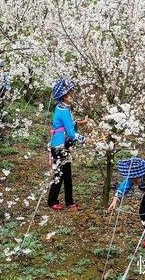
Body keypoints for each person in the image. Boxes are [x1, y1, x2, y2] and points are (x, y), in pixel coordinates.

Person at [47, 78, 88, 212]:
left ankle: (69, 201)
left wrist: (78, 123)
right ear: (65, 96)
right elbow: (71, 133)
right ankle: (52, 201)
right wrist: (84, 139)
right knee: (60, 174)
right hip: (59, 146)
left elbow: (66, 125)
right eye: (71, 93)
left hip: (61, 144)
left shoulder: (62, 107)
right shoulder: (64, 111)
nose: (73, 95)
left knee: (66, 174)